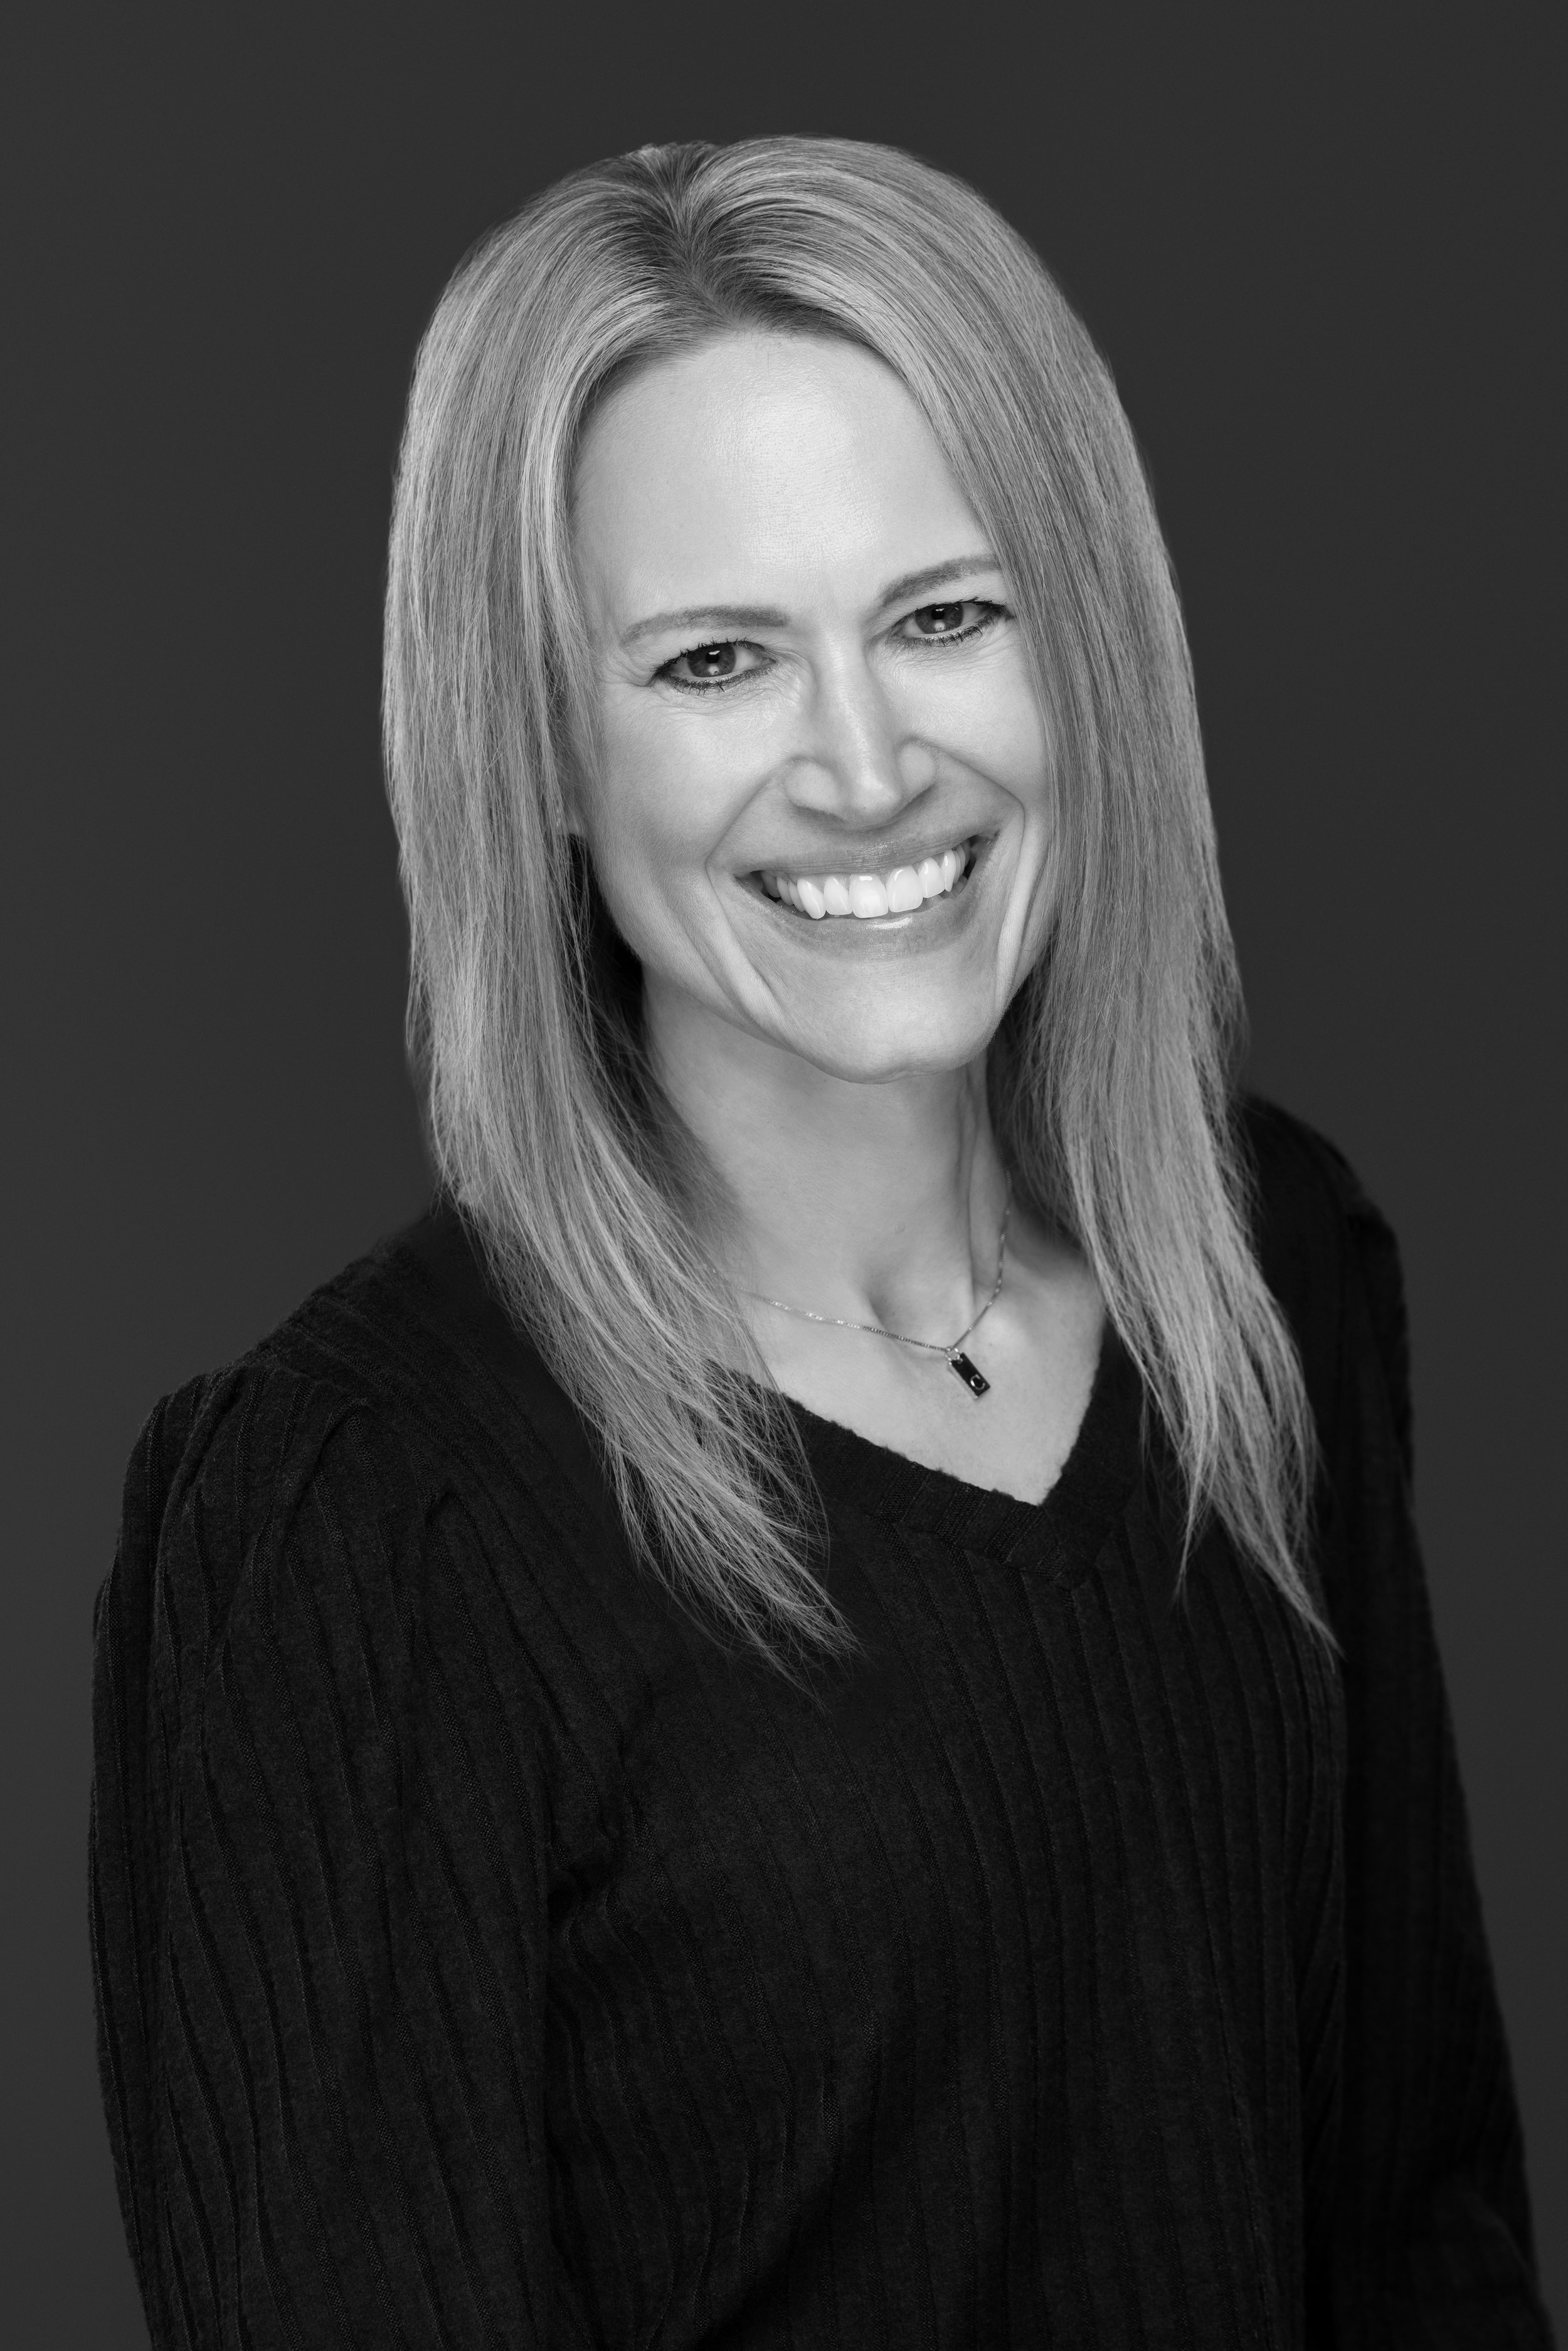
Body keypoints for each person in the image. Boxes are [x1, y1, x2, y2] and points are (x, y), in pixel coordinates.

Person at [89, 137, 1552, 2347]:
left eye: (944, 616)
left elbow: (1421, 2233)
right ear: (544, 757)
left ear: (1089, 647)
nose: (863, 766)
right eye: (712, 662)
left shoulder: (1271, 1276)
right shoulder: (358, 1519)